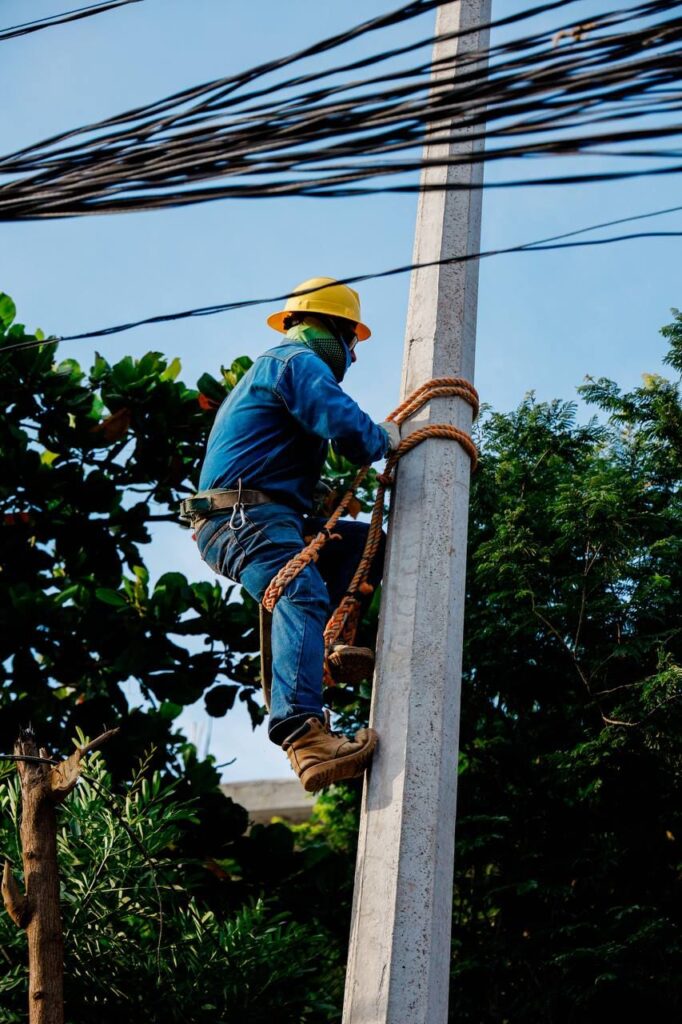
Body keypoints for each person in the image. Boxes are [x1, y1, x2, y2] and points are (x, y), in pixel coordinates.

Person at [185, 277, 400, 792]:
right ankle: (304, 735)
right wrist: (384, 437)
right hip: (244, 518)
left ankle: (328, 643)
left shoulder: (281, 371)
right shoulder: (294, 363)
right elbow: (347, 428)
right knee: (298, 592)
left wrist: (322, 492)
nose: (351, 354)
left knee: (360, 547)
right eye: (351, 341)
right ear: (334, 329)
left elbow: (286, 451)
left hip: (259, 514)